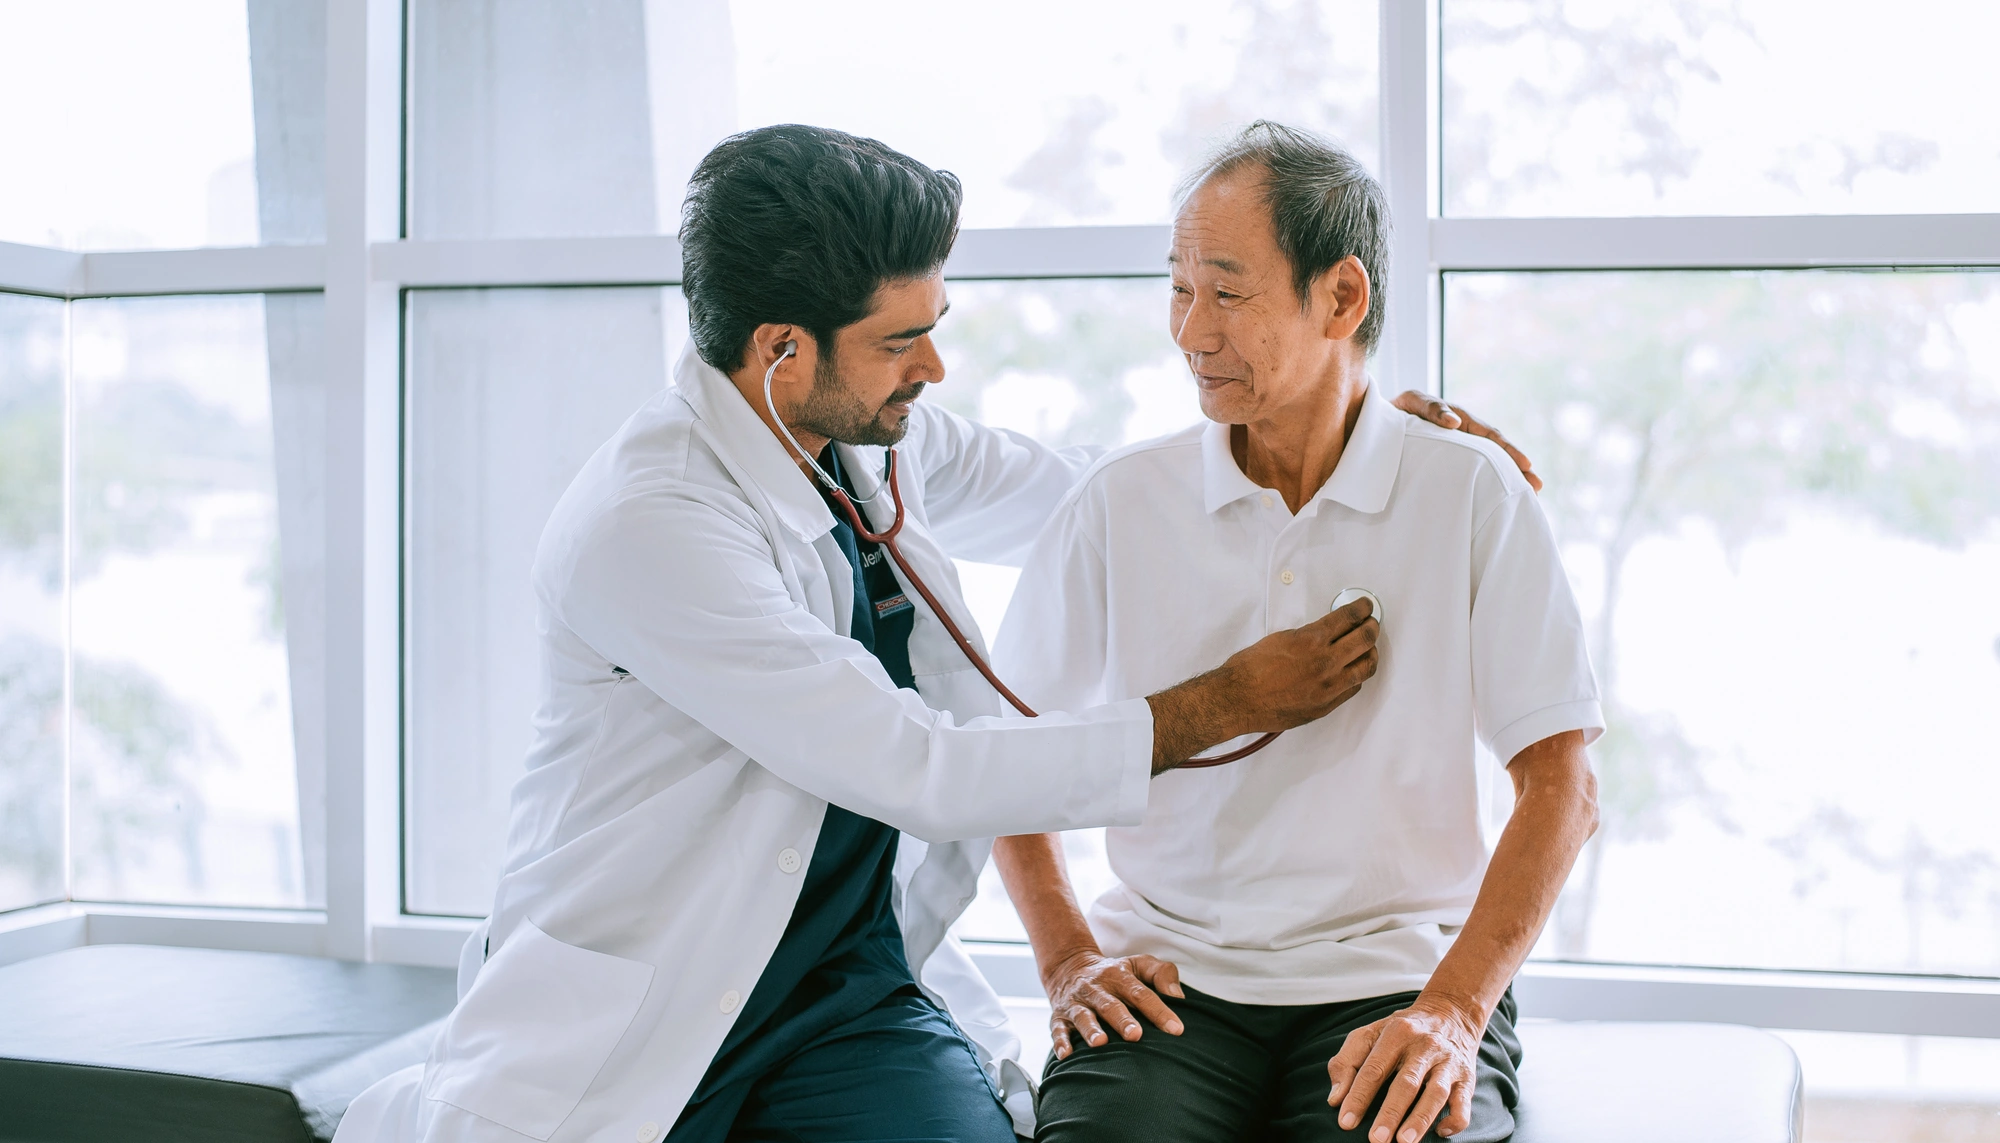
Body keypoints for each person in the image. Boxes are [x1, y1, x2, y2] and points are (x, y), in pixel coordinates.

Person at [334, 124, 1536, 1143]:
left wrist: (1349, 440)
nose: (935, 364)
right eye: (901, 340)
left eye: (934, 322)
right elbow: (920, 764)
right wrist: (1220, 705)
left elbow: (1103, 493)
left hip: (841, 985)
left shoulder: (856, 433)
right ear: (779, 353)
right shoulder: (647, 528)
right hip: (652, 982)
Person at [991, 121, 1604, 1143]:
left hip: (1396, 971)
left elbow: (1562, 785)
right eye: (1177, 289)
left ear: (1342, 297)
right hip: (1165, 980)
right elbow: (1007, 764)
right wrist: (1066, 962)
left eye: (1227, 293)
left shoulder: (1467, 489)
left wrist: (1452, 1009)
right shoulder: (1118, 501)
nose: (1191, 331)